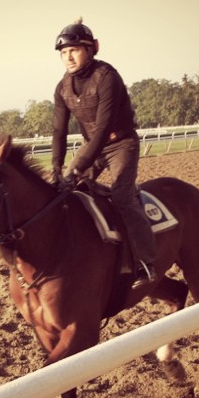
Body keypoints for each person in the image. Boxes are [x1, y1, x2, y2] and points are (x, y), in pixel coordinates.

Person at [50, 17, 157, 287]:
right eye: (64, 53)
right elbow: (59, 132)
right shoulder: (62, 88)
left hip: (121, 143)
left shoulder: (108, 76)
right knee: (64, 192)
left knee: (122, 195)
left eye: (74, 50)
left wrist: (77, 167)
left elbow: (103, 128)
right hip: (91, 146)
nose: (68, 57)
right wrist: (56, 169)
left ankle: (146, 262)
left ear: (92, 48)